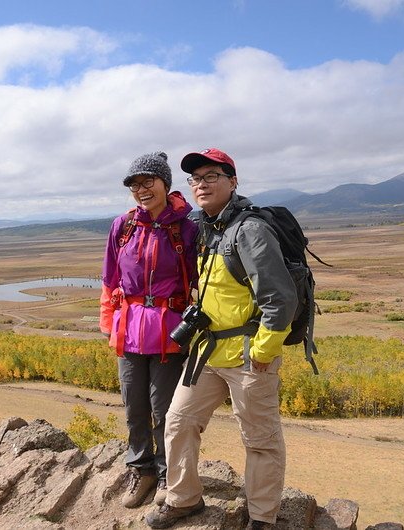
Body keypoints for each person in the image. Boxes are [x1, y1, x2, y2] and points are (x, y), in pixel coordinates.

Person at [145, 148, 298, 530]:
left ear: (233, 181)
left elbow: (280, 298)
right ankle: (183, 499)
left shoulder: (250, 230)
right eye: (195, 179)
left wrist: (264, 350)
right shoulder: (206, 227)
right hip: (208, 351)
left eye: (211, 176)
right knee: (178, 420)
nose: (201, 184)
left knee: (260, 439)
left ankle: (263, 518)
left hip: (250, 354)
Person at [100, 151, 199, 509]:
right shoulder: (122, 226)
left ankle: (164, 475)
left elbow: (199, 281)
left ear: (165, 184)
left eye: (148, 182)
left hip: (169, 334)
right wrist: (109, 324)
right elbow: (110, 279)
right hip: (128, 331)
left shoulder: (188, 228)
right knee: (133, 407)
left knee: (165, 409)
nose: (141, 190)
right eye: (134, 185)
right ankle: (140, 469)